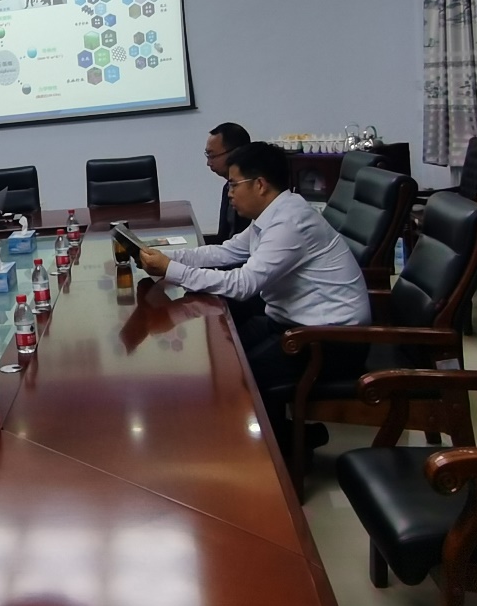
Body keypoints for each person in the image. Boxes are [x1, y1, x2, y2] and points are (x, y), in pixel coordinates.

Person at [138, 142, 370, 447]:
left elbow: (243, 284)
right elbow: (226, 252)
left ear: (260, 184)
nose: (230, 193)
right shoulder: (273, 214)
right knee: (225, 352)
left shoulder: (290, 222)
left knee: (242, 376)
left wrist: (170, 269)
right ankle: (286, 437)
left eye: (234, 184)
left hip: (330, 340)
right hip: (291, 324)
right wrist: (169, 257)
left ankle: (283, 450)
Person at [204, 121, 253, 243]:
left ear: (235, 152)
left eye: (212, 156)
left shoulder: (251, 191)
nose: (208, 163)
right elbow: (223, 238)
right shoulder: (227, 187)